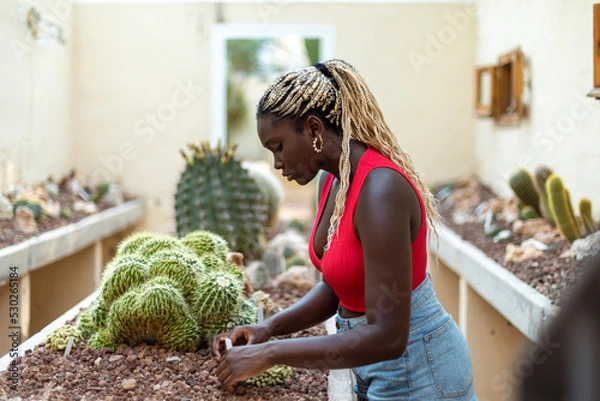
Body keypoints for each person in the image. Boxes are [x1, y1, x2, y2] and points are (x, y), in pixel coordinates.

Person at [213, 59, 477, 401]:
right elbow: (336, 287)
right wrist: (269, 329)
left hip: (420, 370)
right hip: (374, 366)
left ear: (313, 129)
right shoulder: (333, 180)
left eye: (278, 146)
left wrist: (269, 355)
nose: (277, 164)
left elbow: (388, 337)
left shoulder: (380, 190)